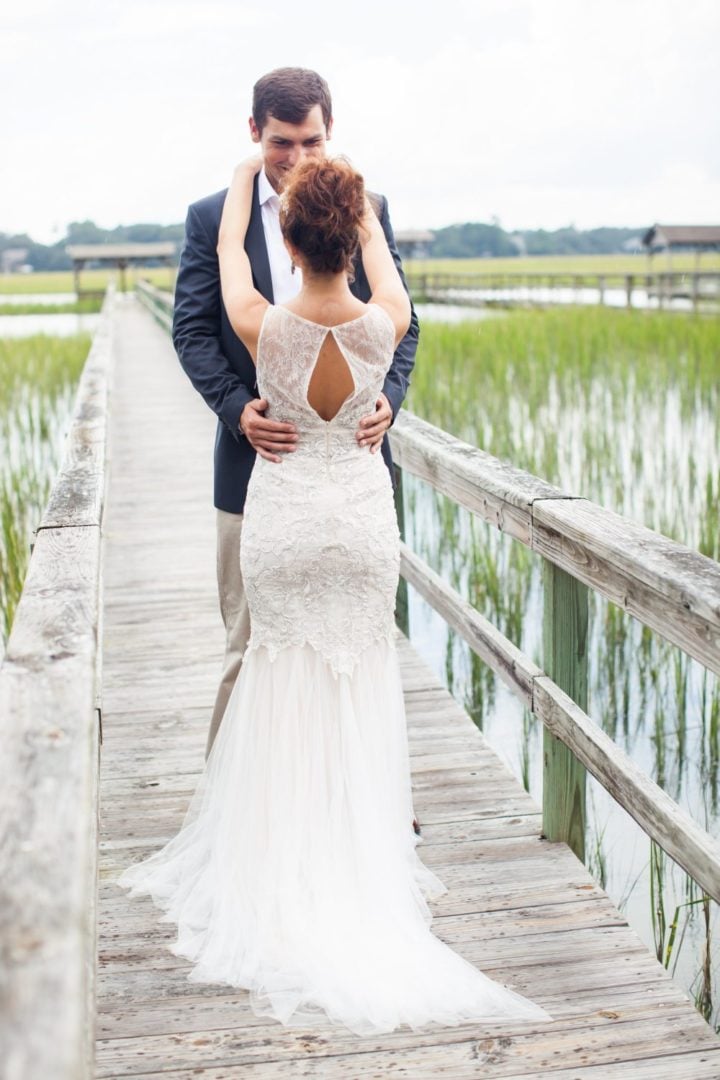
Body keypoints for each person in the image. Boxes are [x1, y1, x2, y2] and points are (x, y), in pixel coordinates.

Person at [117, 152, 553, 1035]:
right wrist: (362, 223)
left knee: (277, 678)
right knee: (360, 680)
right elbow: (393, 282)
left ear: (288, 233)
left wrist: (248, 186)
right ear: (355, 238)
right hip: (358, 524)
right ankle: (359, 861)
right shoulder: (382, 325)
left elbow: (231, 275)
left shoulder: (262, 325)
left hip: (280, 523)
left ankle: (275, 865)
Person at [170, 69, 419, 827]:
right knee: (252, 651)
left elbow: (407, 351)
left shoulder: (351, 217)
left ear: (330, 130)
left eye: (313, 141)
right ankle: (232, 807)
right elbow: (189, 329)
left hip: (333, 478)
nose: (298, 155)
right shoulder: (213, 215)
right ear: (256, 133)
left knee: (354, 651)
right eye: (282, 143)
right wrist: (237, 408)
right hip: (259, 471)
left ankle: (361, 808)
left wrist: (387, 402)